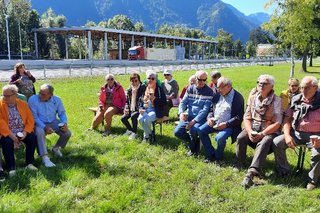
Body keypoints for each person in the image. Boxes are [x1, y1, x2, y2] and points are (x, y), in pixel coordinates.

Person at [273, 76, 320, 190]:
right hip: (296, 133)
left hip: (316, 135)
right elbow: (287, 120)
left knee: (318, 153)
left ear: (315, 87)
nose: (303, 91)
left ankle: (312, 180)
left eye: (307, 88)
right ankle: (284, 170)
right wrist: (287, 135)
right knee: (277, 142)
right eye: (302, 87)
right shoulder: (296, 99)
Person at [236, 74, 282, 189]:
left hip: (269, 130)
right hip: (253, 128)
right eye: (259, 83)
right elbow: (246, 117)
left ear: (271, 86)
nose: (261, 85)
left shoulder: (277, 100)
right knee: (241, 137)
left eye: (264, 83)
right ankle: (240, 162)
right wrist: (250, 131)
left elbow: (277, 123)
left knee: (264, 142)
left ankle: (252, 172)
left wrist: (263, 133)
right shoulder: (253, 98)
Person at [197, 77, 244, 163]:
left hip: (229, 125)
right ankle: (210, 154)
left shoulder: (237, 97)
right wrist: (210, 118)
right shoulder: (218, 94)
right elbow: (211, 108)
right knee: (200, 130)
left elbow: (239, 117)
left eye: (220, 87)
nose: (218, 90)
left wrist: (226, 124)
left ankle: (218, 157)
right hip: (215, 121)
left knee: (220, 138)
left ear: (228, 86)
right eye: (217, 87)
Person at [28, 84, 72, 167]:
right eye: (40, 93)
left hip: (53, 121)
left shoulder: (57, 100)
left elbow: (61, 113)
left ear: (51, 95)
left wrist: (64, 123)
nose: (40, 95)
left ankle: (56, 148)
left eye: (43, 94)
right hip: (38, 122)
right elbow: (34, 117)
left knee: (67, 133)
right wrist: (44, 127)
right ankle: (44, 157)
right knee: (40, 133)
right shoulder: (32, 99)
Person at [0, 85, 37, 180]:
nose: (4, 98)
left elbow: (30, 120)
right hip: (7, 132)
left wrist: (25, 132)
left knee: (31, 137)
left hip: (22, 130)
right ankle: (11, 168)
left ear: (15, 95)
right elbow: (1, 122)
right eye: (3, 95)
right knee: (6, 141)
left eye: (7, 96)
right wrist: (11, 135)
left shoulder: (23, 104)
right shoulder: (1, 104)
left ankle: (30, 163)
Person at [174, 70, 213, 156]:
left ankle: (193, 150)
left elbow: (205, 110)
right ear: (195, 79)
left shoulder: (209, 91)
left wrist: (194, 121)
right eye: (200, 79)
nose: (202, 82)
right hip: (188, 116)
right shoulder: (190, 88)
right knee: (177, 132)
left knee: (194, 130)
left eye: (204, 80)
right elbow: (183, 102)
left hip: (200, 119)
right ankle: (195, 142)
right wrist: (181, 113)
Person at [138, 71, 166, 143]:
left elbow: (164, 102)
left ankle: (146, 136)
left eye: (152, 78)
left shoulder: (159, 89)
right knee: (140, 119)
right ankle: (150, 134)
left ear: (156, 80)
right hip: (146, 108)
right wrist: (141, 108)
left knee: (146, 119)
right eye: (149, 78)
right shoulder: (145, 88)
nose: (150, 80)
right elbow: (140, 100)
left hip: (155, 109)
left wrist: (154, 99)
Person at [121, 73, 146, 140]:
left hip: (140, 108)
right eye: (132, 81)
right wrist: (126, 108)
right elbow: (126, 101)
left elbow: (142, 99)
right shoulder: (129, 89)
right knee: (123, 118)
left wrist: (140, 108)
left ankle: (134, 133)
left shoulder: (143, 87)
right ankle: (130, 130)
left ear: (139, 80)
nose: (134, 82)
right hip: (131, 108)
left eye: (136, 80)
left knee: (133, 116)